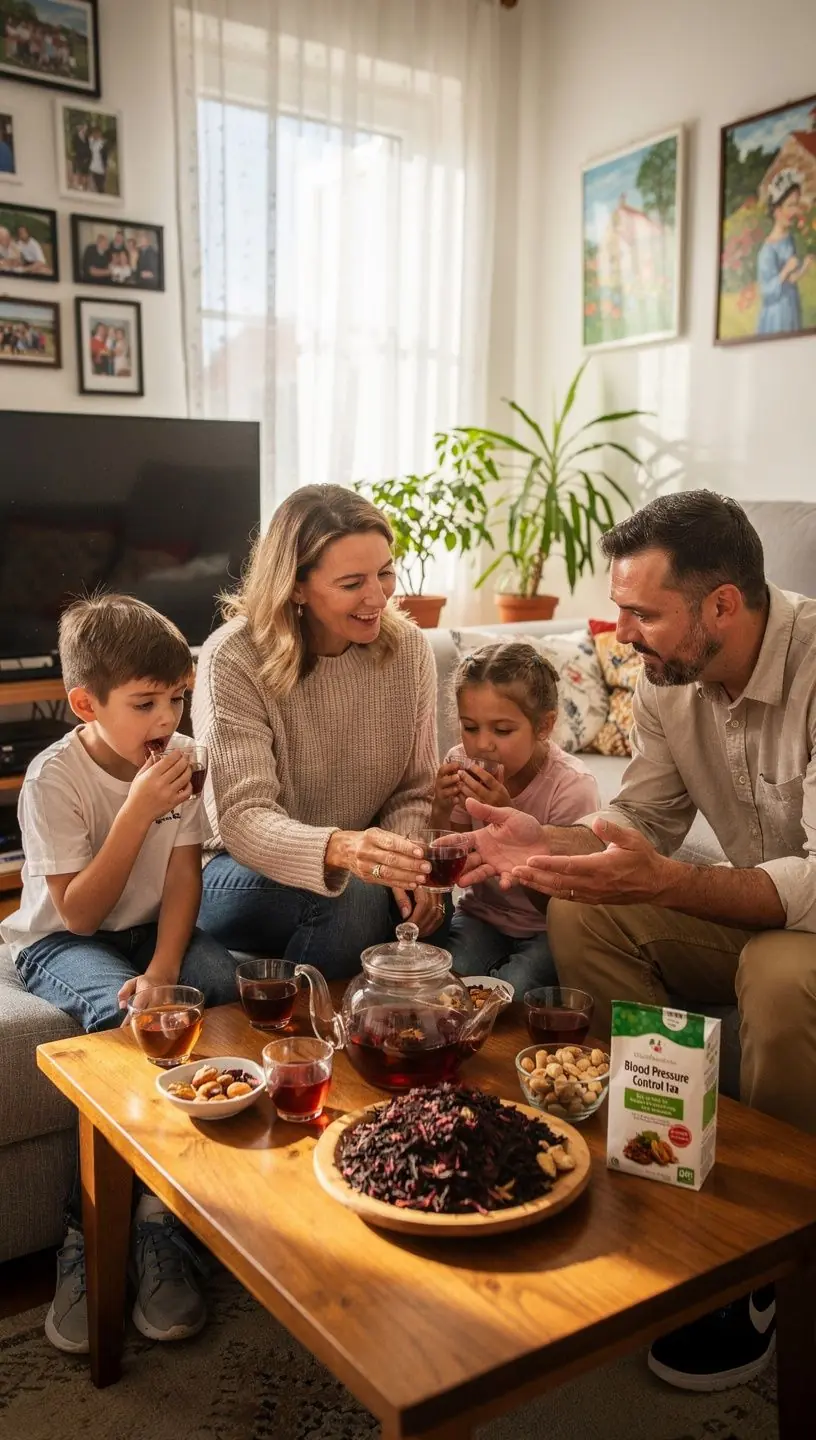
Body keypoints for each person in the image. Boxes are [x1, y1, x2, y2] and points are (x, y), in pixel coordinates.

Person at [458, 490, 816, 1393]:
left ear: (723, 606)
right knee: (582, 909)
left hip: (808, 915)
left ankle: (772, 1257)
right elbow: (642, 818)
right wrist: (540, 844)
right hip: (754, 898)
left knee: (778, 975)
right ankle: (668, 1168)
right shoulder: (670, 683)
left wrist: (668, 880)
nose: (624, 634)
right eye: (622, 610)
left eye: (643, 613)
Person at [0, 595, 238, 1356]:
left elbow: (181, 880)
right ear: (85, 703)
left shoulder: (182, 758)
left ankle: (161, 1221)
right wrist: (135, 810)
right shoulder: (51, 779)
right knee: (128, 1028)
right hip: (59, 941)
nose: (167, 717)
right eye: (145, 703)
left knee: (221, 995)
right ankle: (87, 1235)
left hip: (149, 935)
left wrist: (167, 968)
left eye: (177, 697)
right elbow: (75, 913)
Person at [193, 483, 444, 974]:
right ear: (296, 586)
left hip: (359, 864)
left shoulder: (409, 649)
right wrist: (342, 848)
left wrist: (407, 863)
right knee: (353, 897)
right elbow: (243, 818)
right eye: (352, 584)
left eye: (385, 573)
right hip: (237, 871)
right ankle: (307, 1038)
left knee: (428, 900)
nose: (378, 597)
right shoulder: (234, 658)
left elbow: (415, 790)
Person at [431, 641, 599, 997]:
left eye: (502, 730)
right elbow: (458, 873)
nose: (482, 745)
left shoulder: (571, 786)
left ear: (544, 726)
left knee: (513, 992)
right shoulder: (461, 761)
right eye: (470, 727)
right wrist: (441, 809)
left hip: (548, 928)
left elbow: (560, 903)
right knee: (445, 987)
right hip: (482, 915)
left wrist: (510, 822)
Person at [757, 168, 812, 335]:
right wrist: (785, 270)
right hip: (776, 315)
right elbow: (767, 293)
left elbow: (791, 280)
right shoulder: (767, 250)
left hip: (791, 307)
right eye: (790, 205)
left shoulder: (789, 239)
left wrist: (803, 269)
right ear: (777, 210)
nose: (795, 210)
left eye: (796, 204)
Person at [88, 125, 108, 194]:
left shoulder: (103, 143)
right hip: (93, 168)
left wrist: (105, 168)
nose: (94, 135)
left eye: (95, 133)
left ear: (99, 133)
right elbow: (89, 139)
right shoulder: (93, 142)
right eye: (93, 133)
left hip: (101, 169)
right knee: (95, 187)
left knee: (101, 188)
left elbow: (105, 157)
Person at [71, 122, 91, 191]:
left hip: (86, 157)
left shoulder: (87, 137)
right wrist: (74, 154)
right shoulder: (75, 137)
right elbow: (73, 146)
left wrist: (89, 156)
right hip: (78, 156)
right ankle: (79, 185)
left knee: (85, 172)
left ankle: (85, 186)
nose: (84, 129)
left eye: (85, 128)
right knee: (78, 170)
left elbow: (89, 147)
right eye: (83, 127)